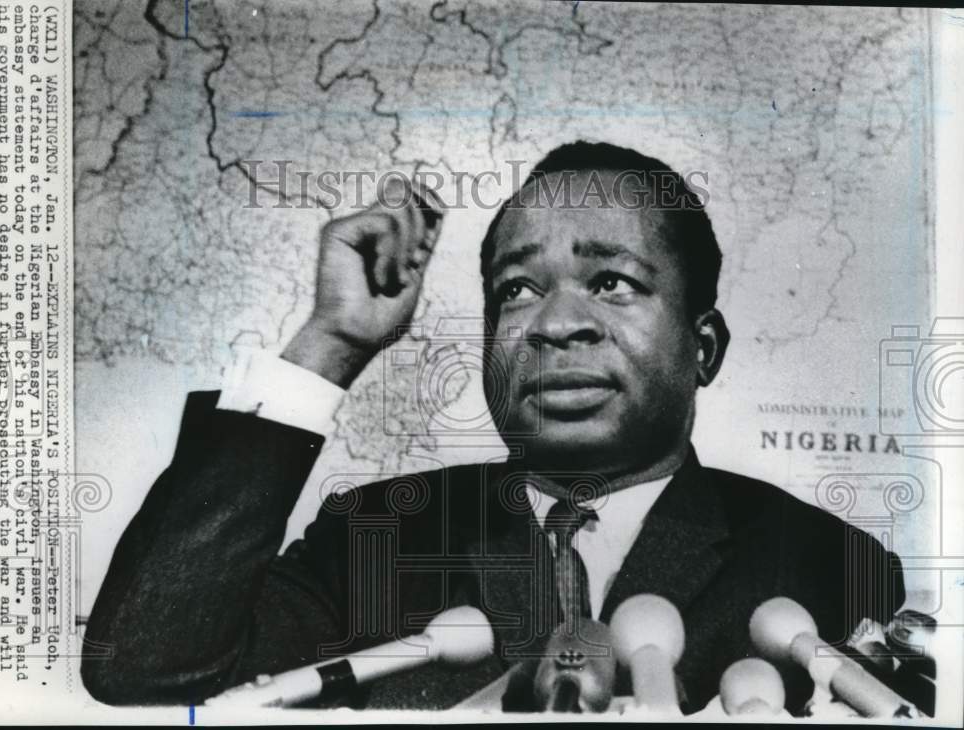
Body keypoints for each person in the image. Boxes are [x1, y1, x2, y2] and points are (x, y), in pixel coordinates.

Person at [81, 142, 904, 713]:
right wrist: (330, 341)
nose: (555, 324)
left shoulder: (831, 567)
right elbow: (145, 667)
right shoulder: (375, 537)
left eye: (612, 281)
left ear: (704, 346)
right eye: (516, 290)